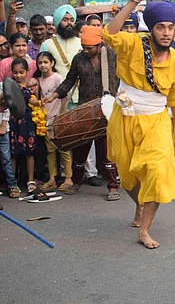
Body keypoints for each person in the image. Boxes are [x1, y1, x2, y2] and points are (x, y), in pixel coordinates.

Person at [102, 0, 175, 249]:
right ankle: (139, 203)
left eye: (170, 27)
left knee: (158, 173)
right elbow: (109, 34)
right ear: (151, 28)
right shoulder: (133, 44)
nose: (166, 32)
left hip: (157, 121)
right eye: (160, 27)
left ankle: (145, 230)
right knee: (127, 175)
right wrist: (132, 3)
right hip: (125, 118)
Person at [47, 25, 121, 200]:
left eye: (90, 48)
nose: (86, 50)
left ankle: (112, 187)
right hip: (85, 109)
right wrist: (54, 96)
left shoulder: (112, 55)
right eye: (84, 47)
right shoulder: (79, 59)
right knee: (80, 150)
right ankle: (77, 182)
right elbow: (70, 80)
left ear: (99, 44)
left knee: (108, 152)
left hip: (109, 109)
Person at [35, 51, 73, 192]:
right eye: (40, 63)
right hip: (46, 119)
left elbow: (63, 95)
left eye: (46, 62)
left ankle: (68, 178)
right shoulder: (39, 80)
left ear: (52, 63)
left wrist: (62, 113)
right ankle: (52, 178)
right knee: (50, 151)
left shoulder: (57, 78)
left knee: (64, 149)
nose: (43, 65)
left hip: (58, 117)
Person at [9, 57, 39, 194]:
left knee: (29, 152)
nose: (18, 75)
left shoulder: (32, 85)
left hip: (27, 121)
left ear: (27, 71)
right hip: (13, 121)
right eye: (15, 73)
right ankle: (12, 182)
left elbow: (36, 102)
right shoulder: (9, 87)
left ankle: (30, 180)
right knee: (13, 154)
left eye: (21, 72)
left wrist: (35, 99)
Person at [38, 5, 81, 94]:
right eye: (65, 20)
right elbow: (42, 70)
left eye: (72, 20)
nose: (69, 23)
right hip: (55, 94)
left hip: (79, 92)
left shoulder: (81, 43)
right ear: (58, 21)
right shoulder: (47, 44)